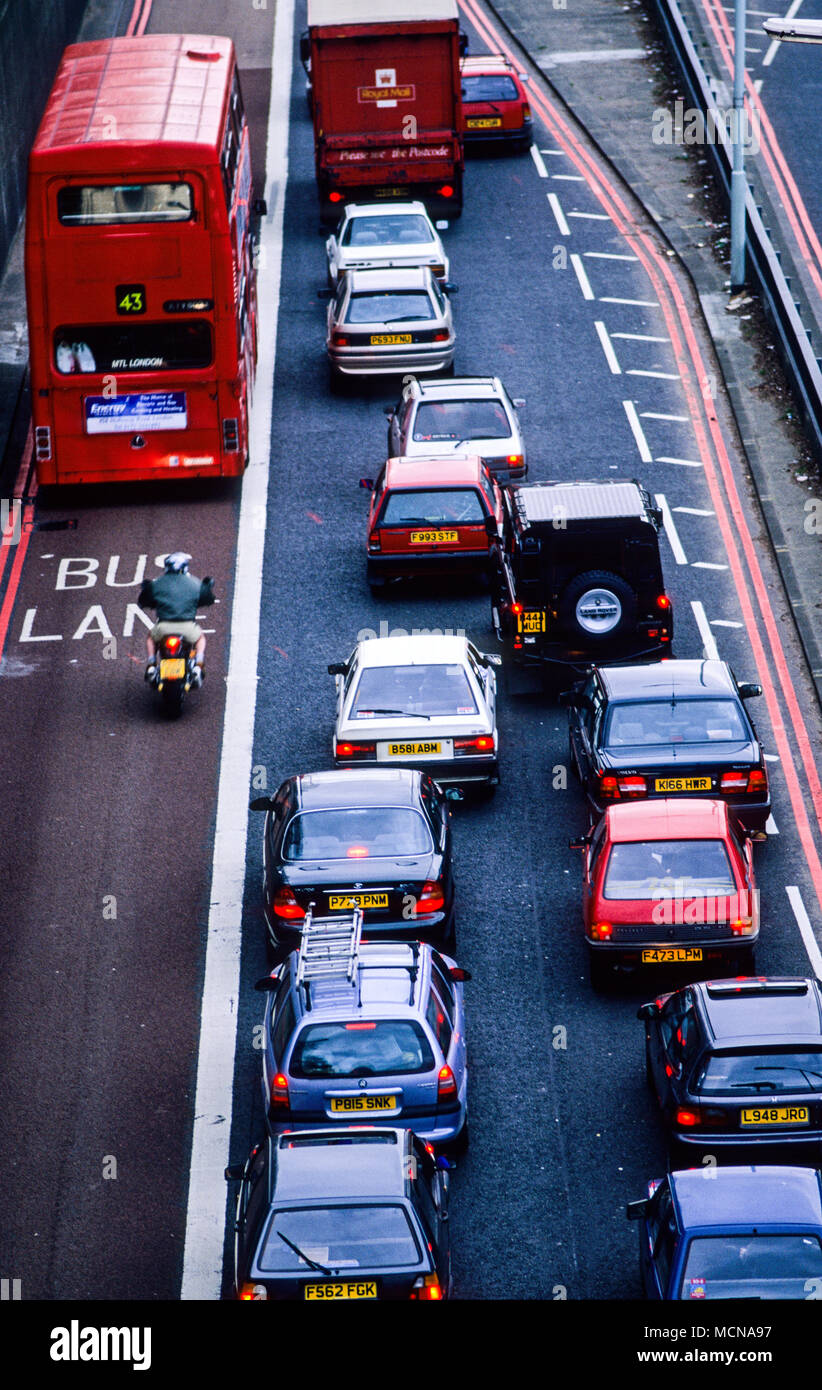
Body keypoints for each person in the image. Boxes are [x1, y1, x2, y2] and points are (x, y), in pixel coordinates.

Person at [139, 553, 215, 687]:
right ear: (185, 568)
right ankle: (198, 664)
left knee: (151, 638)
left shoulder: (157, 583)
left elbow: (144, 600)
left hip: (163, 628)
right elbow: (208, 598)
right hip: (187, 627)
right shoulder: (194, 583)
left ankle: (151, 664)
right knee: (200, 638)